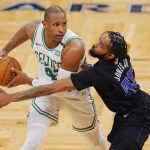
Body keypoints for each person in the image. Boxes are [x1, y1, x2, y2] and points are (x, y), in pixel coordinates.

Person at [0, 31, 150, 150]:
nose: (95, 44)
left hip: (140, 116)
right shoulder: (123, 56)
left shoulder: (99, 74)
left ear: (110, 55)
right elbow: (109, 76)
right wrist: (89, 68)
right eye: (99, 40)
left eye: (101, 45)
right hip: (131, 109)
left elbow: (52, 88)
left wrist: (12, 95)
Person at [0, 6, 106, 150]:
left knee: (96, 142)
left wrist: (22, 85)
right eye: (56, 25)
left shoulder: (74, 47)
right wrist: (6, 49)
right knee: (31, 143)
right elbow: (25, 29)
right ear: (44, 25)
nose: (61, 29)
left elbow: (59, 88)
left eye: (64, 24)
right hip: (44, 93)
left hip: (74, 95)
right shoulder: (35, 29)